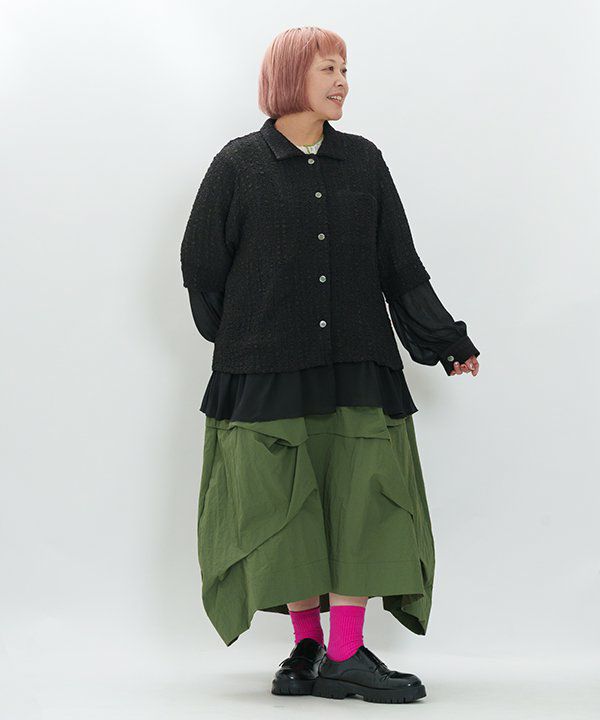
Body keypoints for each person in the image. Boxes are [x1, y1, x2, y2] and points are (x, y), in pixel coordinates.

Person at [180, 26, 480, 704]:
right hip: (266, 374)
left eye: (345, 69)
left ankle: (343, 652)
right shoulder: (239, 164)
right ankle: (310, 647)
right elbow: (202, 266)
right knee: (284, 510)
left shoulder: (364, 161)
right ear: (291, 76)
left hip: (356, 364)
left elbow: (398, 263)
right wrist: (248, 338)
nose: (342, 82)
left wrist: (444, 339)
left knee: (360, 502)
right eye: (329, 69)